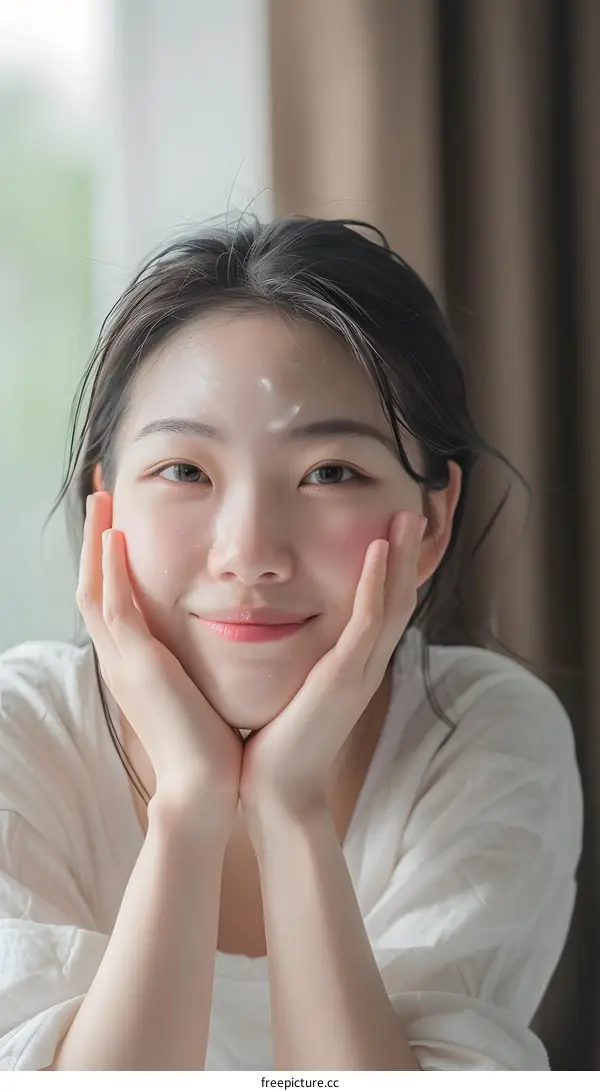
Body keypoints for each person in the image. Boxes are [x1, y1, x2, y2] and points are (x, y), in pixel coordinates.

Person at [0, 216, 582, 1071]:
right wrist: (191, 807)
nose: (250, 554)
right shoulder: (23, 739)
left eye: (331, 473)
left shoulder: (482, 737)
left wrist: (289, 808)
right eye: (186, 472)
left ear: (431, 521)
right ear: (107, 510)